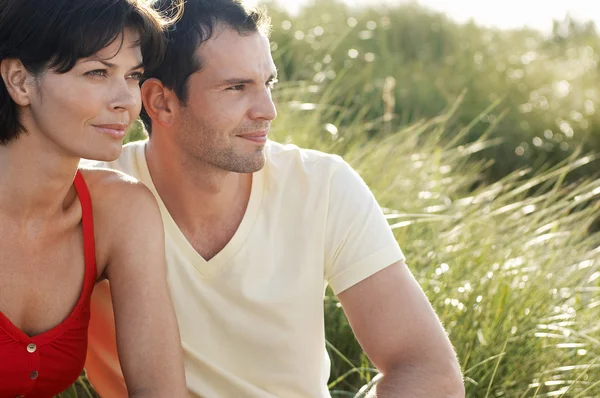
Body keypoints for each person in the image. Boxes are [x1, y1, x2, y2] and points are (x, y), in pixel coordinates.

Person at [84, 0, 465, 396]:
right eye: (236, 87)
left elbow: (427, 369)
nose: (268, 111)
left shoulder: (322, 186)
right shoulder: (91, 198)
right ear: (161, 102)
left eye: (268, 83)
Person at [0, 0, 188, 397]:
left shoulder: (120, 210)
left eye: (133, 75)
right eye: (97, 72)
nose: (126, 101)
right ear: (19, 81)